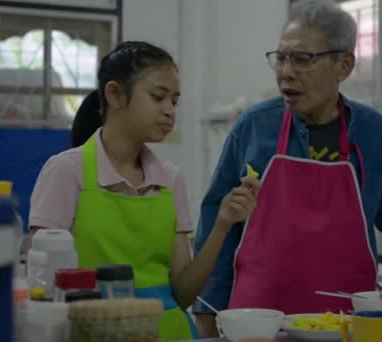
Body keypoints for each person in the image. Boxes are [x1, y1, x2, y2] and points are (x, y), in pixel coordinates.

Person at [193, 0, 382, 336]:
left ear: (344, 65)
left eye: (302, 59)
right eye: (281, 57)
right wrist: (206, 311)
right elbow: (218, 227)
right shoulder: (254, 129)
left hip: (345, 328)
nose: (286, 71)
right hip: (257, 326)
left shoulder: (375, 137)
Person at [29, 41, 260, 340]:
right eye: (158, 97)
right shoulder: (66, 172)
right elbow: (42, 284)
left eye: (174, 101)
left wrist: (222, 224)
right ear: (115, 94)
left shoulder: (170, 180)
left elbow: (182, 294)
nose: (169, 111)